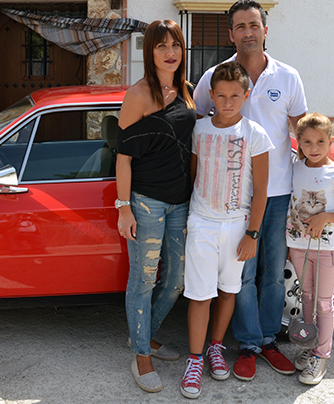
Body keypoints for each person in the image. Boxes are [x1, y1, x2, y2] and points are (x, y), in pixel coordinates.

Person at [193, 0, 307, 381]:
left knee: (273, 273)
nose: (247, 32)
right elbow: (200, 128)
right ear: (231, 34)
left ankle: (269, 340)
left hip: (276, 193)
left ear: (265, 30)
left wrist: (324, 172)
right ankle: (248, 344)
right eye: (240, 26)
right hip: (233, 200)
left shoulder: (288, 77)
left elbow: (302, 132)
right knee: (241, 276)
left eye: (253, 25)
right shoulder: (214, 77)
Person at [180, 61, 273, 399]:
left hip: (237, 227)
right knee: (199, 294)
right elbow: (192, 175)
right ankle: (194, 360)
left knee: (228, 290)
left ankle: (215, 347)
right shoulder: (199, 130)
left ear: (246, 96)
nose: (228, 101)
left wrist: (252, 233)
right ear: (211, 96)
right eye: (221, 95)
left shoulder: (255, 135)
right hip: (202, 222)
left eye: (235, 95)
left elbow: (261, 189)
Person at [116, 19, 196, 393]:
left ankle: (144, 336)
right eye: (161, 46)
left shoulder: (187, 92)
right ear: (149, 51)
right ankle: (141, 356)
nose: (170, 53)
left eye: (175, 45)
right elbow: (124, 156)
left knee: (176, 280)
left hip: (180, 202)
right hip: (146, 203)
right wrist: (123, 207)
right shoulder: (138, 94)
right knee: (144, 279)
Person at [287, 113, 334, 385]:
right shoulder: (295, 167)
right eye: (307, 142)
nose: (313, 148)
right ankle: (308, 343)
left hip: (327, 247)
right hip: (297, 244)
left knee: (324, 302)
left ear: (331, 142)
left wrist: (324, 217)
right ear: (299, 142)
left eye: (320, 141)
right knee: (305, 296)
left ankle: (321, 354)